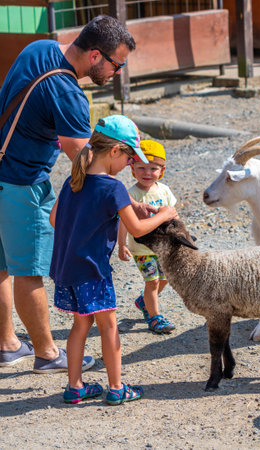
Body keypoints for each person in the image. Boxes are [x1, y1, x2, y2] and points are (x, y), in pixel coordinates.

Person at [0, 15, 155, 373]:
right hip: (21, 181)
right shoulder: (69, 94)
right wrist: (125, 200)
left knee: (3, 265)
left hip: (2, 170)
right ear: (96, 56)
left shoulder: (38, 49)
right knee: (29, 269)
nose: (117, 72)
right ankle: (47, 354)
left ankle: (8, 343)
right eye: (117, 64)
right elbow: (88, 163)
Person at [49, 115, 177, 404]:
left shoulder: (74, 179)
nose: (130, 164)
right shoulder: (114, 187)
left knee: (80, 325)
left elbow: (54, 218)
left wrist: (121, 208)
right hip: (93, 270)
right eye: (130, 157)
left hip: (67, 267)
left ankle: (75, 387)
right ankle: (117, 388)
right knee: (108, 326)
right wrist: (164, 214)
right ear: (116, 152)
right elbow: (137, 229)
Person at [118, 140, 177, 334]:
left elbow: (173, 213)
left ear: (162, 170)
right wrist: (121, 245)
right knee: (151, 282)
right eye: (141, 168)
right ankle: (155, 317)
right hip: (142, 249)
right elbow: (123, 221)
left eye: (153, 168)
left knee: (166, 278)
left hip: (163, 247)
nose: (147, 173)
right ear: (132, 169)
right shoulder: (131, 195)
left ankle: (144, 302)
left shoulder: (165, 191)